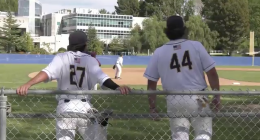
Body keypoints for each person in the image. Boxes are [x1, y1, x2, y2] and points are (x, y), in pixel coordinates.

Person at [16, 30, 131, 140]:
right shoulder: (91, 60)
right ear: (85, 44)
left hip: (65, 107)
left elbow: (47, 73)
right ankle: (100, 126)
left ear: (70, 44)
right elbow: (104, 79)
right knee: (94, 138)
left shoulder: (61, 57)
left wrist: (28, 84)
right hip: (84, 107)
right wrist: (118, 87)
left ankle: (100, 126)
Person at [143, 15, 220, 140]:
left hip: (173, 99)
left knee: (179, 136)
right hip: (200, 97)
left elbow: (151, 83)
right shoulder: (196, 46)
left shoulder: (159, 52)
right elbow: (212, 73)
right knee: (204, 132)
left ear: (167, 31)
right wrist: (217, 96)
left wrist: (152, 107)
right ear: (184, 29)